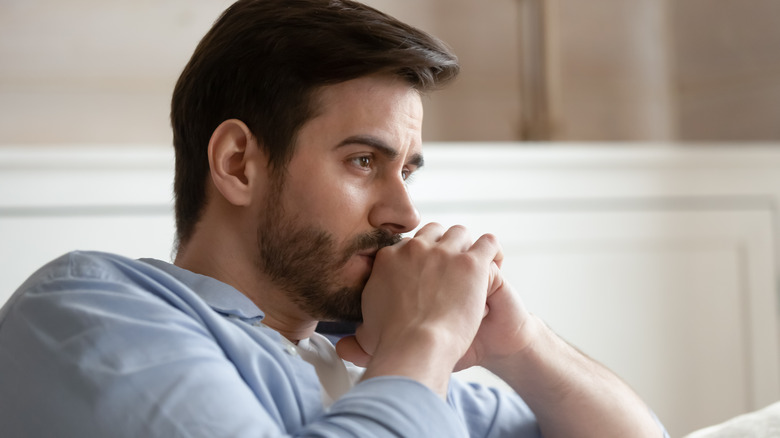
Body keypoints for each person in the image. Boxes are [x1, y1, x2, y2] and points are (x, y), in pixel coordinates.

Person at [0, 0, 669, 436]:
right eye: (362, 161)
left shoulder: (377, 364)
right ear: (238, 163)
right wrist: (426, 338)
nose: (404, 212)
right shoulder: (91, 311)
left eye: (407, 169)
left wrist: (521, 345)